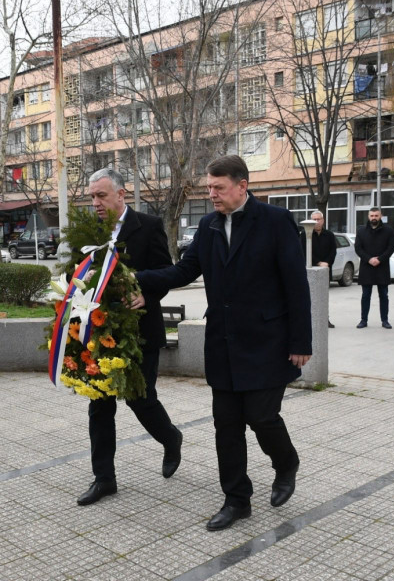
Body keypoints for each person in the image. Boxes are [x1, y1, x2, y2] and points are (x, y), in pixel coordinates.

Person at [135, 155, 311, 531]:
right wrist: (137, 279)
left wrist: (301, 341)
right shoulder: (209, 225)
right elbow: (185, 270)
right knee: (226, 425)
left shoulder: (276, 221)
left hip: (267, 342)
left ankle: (286, 463)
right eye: (209, 188)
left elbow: (296, 285)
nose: (211, 194)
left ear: (242, 186)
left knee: (261, 416)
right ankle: (236, 500)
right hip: (224, 343)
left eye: (218, 187)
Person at [75, 168, 183, 507]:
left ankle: (171, 438)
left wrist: (146, 295)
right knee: (99, 404)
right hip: (100, 330)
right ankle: (104, 479)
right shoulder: (89, 231)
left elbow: (165, 272)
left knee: (141, 398)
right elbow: (76, 270)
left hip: (140, 331)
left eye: (101, 195)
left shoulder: (148, 226)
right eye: (92, 197)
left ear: (121, 194)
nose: (95, 203)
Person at [354, 207, 394, 329]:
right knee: (365, 295)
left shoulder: (388, 230)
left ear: (380, 216)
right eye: (372, 216)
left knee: (384, 295)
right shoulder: (361, 231)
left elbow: (391, 247)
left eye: (376, 215)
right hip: (366, 267)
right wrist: (369, 259)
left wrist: (380, 259)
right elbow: (358, 248)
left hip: (382, 267)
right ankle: (363, 320)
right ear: (368, 216)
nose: (374, 218)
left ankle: (385, 320)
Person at [309, 210, 336, 328]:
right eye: (314, 219)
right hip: (310, 271)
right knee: (310, 297)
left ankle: (325, 320)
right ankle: (310, 320)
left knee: (324, 297)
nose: (316, 221)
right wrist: (318, 262)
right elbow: (304, 251)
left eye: (318, 219)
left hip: (325, 270)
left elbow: (333, 251)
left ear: (323, 220)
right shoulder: (305, 235)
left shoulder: (329, 235)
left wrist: (327, 263)